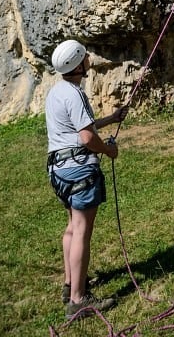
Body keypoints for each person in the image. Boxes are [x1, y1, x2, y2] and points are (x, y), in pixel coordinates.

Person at [45, 39, 128, 320]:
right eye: (85, 56)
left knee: (71, 227)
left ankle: (70, 285)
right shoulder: (75, 94)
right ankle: (78, 300)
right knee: (81, 230)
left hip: (59, 170)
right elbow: (87, 138)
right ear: (78, 64)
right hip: (79, 169)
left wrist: (112, 118)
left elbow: (80, 127)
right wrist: (109, 150)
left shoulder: (57, 91)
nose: (89, 58)